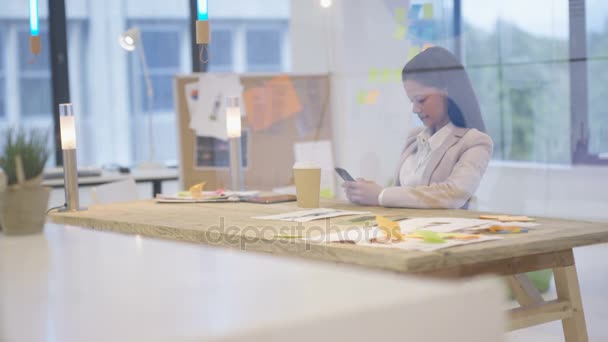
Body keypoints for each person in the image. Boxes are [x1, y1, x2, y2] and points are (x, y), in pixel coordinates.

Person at [343, 46, 493, 209]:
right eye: (411, 101)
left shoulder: (475, 142)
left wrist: (382, 195)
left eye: (421, 100)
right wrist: (367, 193)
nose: (415, 109)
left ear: (447, 92)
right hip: (404, 229)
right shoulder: (414, 138)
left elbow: (453, 194)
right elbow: (404, 194)